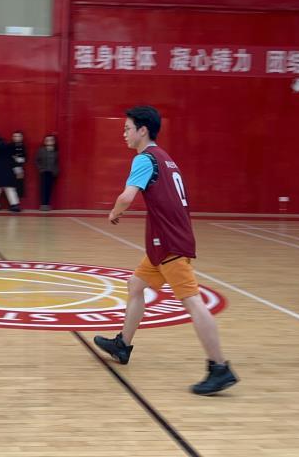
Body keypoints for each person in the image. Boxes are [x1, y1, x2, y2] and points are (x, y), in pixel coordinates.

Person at [93, 106, 238, 396]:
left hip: (169, 244)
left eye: (127, 128)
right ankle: (122, 345)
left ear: (142, 130)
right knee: (135, 285)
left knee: (193, 303)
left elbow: (126, 197)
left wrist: (114, 212)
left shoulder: (144, 158)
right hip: (163, 243)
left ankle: (220, 367)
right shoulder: (165, 159)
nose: (124, 134)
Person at [35, 134, 59, 211]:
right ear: (45, 142)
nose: (49, 141)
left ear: (54, 141)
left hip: (52, 172)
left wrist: (56, 171)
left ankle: (47, 204)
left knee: (49, 188)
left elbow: (56, 162)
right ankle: (43, 204)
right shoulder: (41, 150)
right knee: (43, 188)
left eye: (51, 140)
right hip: (44, 172)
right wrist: (40, 169)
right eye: (47, 140)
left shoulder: (55, 151)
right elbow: (37, 160)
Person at [11, 131, 27, 200]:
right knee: (11, 185)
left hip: (19, 168)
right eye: (15, 136)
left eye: (18, 136)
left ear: (22, 137)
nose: (17, 138)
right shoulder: (10, 146)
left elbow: (25, 158)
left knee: (19, 183)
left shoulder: (23, 146)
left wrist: (17, 159)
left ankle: (18, 198)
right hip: (10, 168)